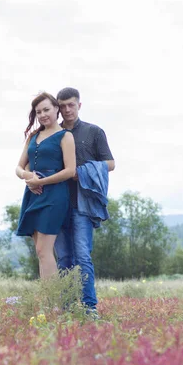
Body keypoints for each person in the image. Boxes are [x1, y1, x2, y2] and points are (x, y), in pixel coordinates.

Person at [55, 87, 115, 314]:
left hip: (83, 204)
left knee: (82, 256)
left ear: (79, 105)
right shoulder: (53, 134)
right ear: (58, 107)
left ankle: (90, 308)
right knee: (63, 259)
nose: (67, 109)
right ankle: (68, 308)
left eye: (71, 104)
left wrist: (83, 171)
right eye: (63, 105)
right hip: (58, 204)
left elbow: (110, 163)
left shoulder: (94, 132)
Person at [15, 92, 76, 280]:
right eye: (38, 111)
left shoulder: (65, 136)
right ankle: (48, 301)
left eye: (46, 109)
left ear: (56, 109)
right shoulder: (33, 136)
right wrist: (29, 177)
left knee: (44, 249)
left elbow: (70, 171)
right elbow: (18, 168)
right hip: (33, 194)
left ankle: (53, 304)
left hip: (55, 195)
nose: (42, 114)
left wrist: (40, 181)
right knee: (40, 252)